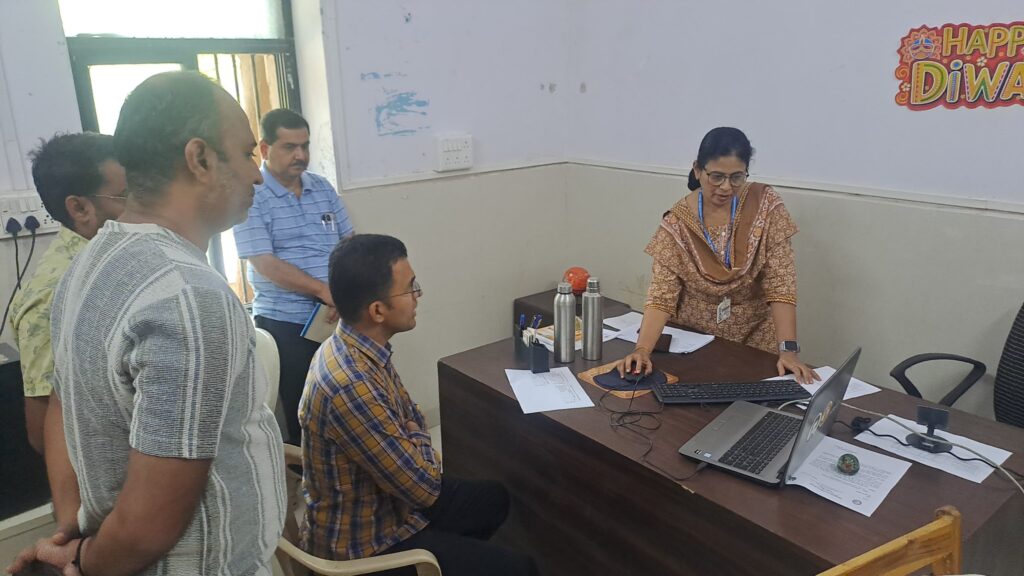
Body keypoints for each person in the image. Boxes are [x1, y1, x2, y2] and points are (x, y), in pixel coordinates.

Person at [6, 71, 285, 576]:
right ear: (200, 159)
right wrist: (83, 561)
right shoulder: (186, 295)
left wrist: (71, 536)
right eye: (247, 153)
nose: (257, 175)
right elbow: (148, 525)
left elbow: (65, 409)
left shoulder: (86, 267)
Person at [299, 234, 538, 576]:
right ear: (377, 310)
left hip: (390, 506)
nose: (418, 295)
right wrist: (420, 442)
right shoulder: (349, 384)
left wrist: (414, 438)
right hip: (365, 547)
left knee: (494, 498)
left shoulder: (358, 345)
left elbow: (411, 414)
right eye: (410, 288)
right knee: (520, 568)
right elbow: (425, 488)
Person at [617, 127, 819, 384]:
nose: (726, 187)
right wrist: (642, 350)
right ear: (697, 170)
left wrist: (788, 351)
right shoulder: (678, 223)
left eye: (736, 177)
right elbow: (661, 297)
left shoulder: (765, 205)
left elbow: (781, 285)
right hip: (695, 345)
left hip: (756, 342)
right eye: (717, 177)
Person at [233, 108, 353, 445]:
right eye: (289, 147)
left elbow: (350, 243)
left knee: (347, 400)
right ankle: (310, 473)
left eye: (305, 146)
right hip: (286, 321)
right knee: (307, 412)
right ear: (265, 148)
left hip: (336, 315)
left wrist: (344, 293)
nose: (300, 155)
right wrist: (323, 290)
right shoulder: (251, 195)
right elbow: (265, 263)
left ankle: (350, 467)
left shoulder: (322, 188)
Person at [8, 133, 126, 455]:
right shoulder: (54, 296)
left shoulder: (115, 259)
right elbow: (44, 434)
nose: (142, 207)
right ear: (79, 208)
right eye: (126, 195)